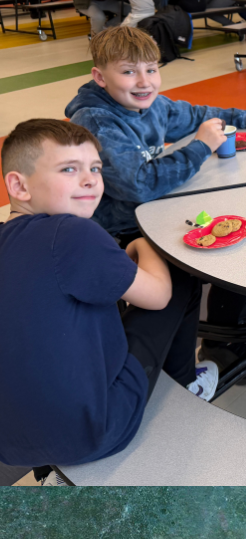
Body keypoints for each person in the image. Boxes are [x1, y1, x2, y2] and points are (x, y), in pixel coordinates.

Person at [65, 26, 246, 378]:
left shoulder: (153, 104)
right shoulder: (96, 121)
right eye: (128, 71)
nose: (144, 82)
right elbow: (138, 184)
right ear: (99, 77)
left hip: (159, 208)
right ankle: (197, 361)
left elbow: (199, 114)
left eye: (151, 70)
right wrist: (200, 147)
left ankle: (244, 307)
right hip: (123, 231)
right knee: (205, 260)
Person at [0, 118, 219, 472]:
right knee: (179, 275)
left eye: (95, 168)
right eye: (69, 169)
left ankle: (46, 463)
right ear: (19, 185)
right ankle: (187, 385)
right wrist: (141, 245)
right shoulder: (71, 232)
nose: (90, 180)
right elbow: (159, 296)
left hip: (9, 449)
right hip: (95, 434)